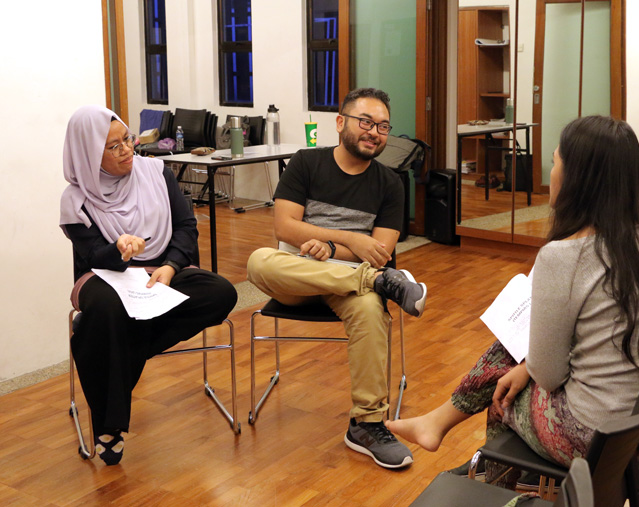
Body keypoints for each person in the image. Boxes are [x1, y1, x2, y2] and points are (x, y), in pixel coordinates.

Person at [386, 116, 639, 483]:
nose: (552, 170)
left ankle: (488, 483)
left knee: (504, 394)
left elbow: (547, 374)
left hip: (602, 445)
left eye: (556, 160)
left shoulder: (565, 257)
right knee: (515, 362)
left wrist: (526, 365)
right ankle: (458, 448)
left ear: (577, 177)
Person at [246, 88, 427, 469]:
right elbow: (284, 226)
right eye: (366, 122)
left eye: (382, 126)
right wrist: (346, 241)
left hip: (348, 283)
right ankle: (379, 284)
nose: (374, 132)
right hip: (297, 277)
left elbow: (380, 251)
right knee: (260, 261)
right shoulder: (306, 163)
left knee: (368, 309)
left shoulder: (390, 183)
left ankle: (367, 423)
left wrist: (330, 249)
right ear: (341, 122)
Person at [60, 105, 237, 466]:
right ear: (88, 154)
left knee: (220, 292)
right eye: (113, 146)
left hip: (162, 270)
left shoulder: (157, 171)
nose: (127, 149)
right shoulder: (76, 200)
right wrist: (119, 250)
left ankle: (120, 348)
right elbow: (92, 253)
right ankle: (110, 428)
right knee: (107, 309)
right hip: (106, 276)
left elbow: (187, 228)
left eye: (127, 139)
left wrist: (171, 267)